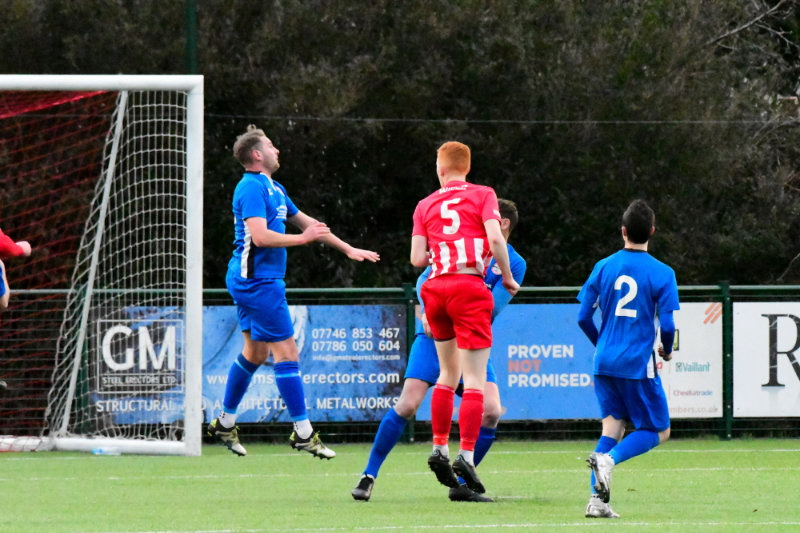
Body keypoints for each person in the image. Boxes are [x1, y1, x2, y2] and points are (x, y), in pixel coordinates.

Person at [208, 125, 380, 458]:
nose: (277, 150)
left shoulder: (274, 188)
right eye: (271, 145)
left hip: (253, 280)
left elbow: (309, 224)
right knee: (287, 354)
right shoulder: (250, 187)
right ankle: (303, 433)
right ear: (257, 154)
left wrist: (347, 248)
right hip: (257, 282)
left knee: (256, 354)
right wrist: (303, 239)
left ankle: (225, 422)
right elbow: (261, 237)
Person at [352, 199, 526, 503]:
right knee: (407, 404)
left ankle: (461, 484)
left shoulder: (515, 263)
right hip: (434, 339)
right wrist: (429, 311)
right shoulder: (463, 245)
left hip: (470, 341)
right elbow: (424, 280)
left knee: (492, 411)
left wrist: (456, 305)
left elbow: (492, 308)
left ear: (503, 223)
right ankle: (369, 475)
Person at [408, 141, 519, 496]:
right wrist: (506, 276)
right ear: (467, 168)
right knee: (473, 380)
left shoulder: (425, 204)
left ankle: (439, 447)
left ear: (440, 170)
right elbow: (495, 239)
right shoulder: (483, 194)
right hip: (468, 287)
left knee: (446, 374)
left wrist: (442, 251)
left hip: (435, 289)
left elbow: (417, 259)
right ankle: (466, 455)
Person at [577, 199, 679, 519]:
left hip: (604, 362)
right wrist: (667, 349)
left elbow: (583, 317)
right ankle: (608, 461)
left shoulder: (603, 266)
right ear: (652, 231)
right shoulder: (663, 272)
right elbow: (669, 326)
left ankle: (597, 502)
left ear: (623, 231)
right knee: (658, 430)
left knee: (612, 428)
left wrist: (602, 345)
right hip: (636, 364)